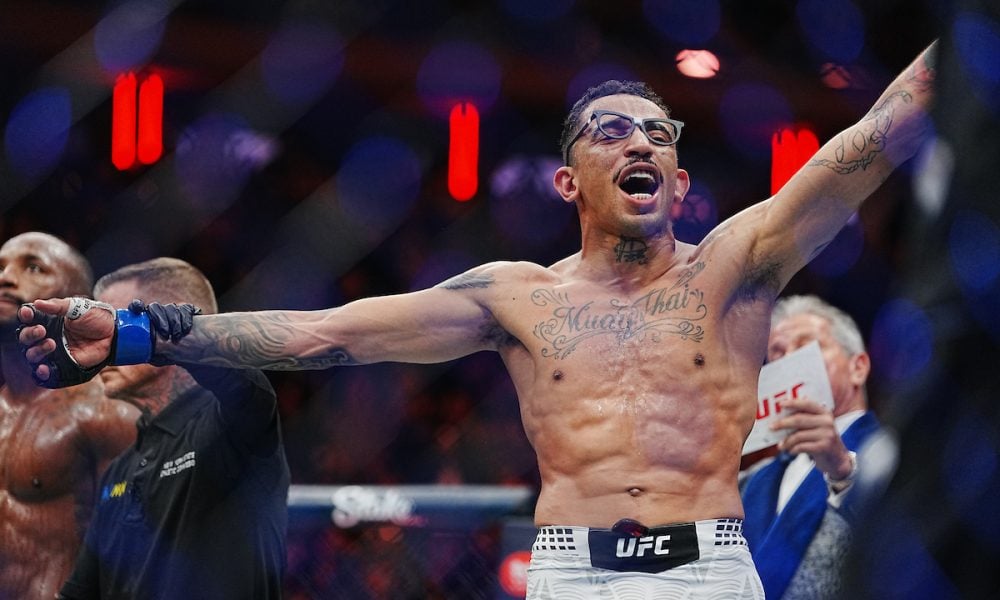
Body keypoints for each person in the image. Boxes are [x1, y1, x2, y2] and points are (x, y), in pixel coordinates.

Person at [20, 43, 936, 597]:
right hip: (576, 575)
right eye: (612, 131)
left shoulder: (738, 269)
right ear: (570, 183)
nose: (641, 141)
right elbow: (325, 333)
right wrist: (140, 333)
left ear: (682, 184)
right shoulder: (516, 296)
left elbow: (876, 135)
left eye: (658, 132)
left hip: (711, 571)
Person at [49, 257, 290, 599]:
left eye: (117, 325)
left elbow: (249, 392)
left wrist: (191, 342)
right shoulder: (121, 469)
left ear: (166, 322)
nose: (103, 344)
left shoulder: (234, 430)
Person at [0, 232, 140, 600]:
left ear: (75, 300)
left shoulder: (105, 412)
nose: (6, 277)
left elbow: (136, 561)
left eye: (33, 267)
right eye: (0, 267)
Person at [741, 295, 880, 600]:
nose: (788, 361)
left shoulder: (895, 449)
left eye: (806, 346)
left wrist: (844, 471)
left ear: (858, 367)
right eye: (776, 354)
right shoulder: (751, 479)